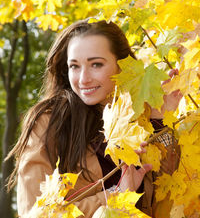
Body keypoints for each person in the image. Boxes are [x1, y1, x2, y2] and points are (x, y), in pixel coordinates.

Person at [6, 19, 179, 217]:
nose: (83, 79)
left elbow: (171, 198)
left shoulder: (139, 115)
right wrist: (116, 196)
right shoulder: (48, 123)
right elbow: (34, 213)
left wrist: (160, 121)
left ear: (122, 65)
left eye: (96, 64)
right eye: (74, 66)